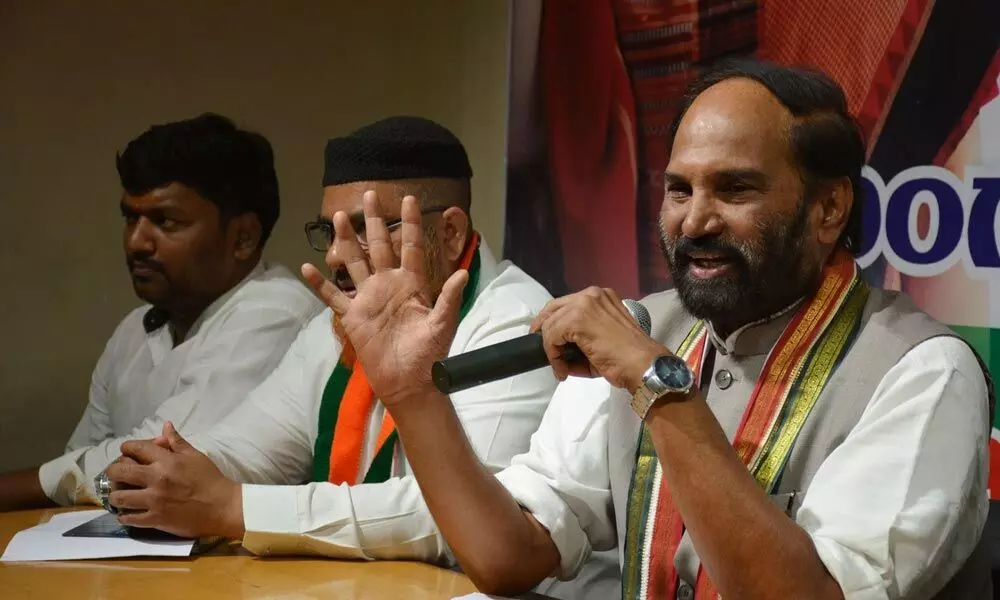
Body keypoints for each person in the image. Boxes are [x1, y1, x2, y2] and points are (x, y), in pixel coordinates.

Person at [320, 61, 995, 599]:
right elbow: (506, 556)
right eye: (679, 190)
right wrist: (414, 398)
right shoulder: (642, 329)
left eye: (734, 190)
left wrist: (657, 383)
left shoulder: (923, 372)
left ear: (828, 209)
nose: (695, 221)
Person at [101, 116, 557, 567]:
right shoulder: (335, 326)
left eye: (367, 228)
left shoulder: (515, 322)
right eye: (329, 232)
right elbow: (251, 447)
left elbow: (457, 518)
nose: (337, 255)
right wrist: (161, 473)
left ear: (449, 233)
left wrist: (235, 508)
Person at [0, 114, 322, 512]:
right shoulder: (134, 328)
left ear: (243, 237)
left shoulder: (278, 313)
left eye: (164, 221)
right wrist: (76, 483)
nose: (136, 242)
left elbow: (160, 465)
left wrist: (43, 486)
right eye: (130, 217)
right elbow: (82, 461)